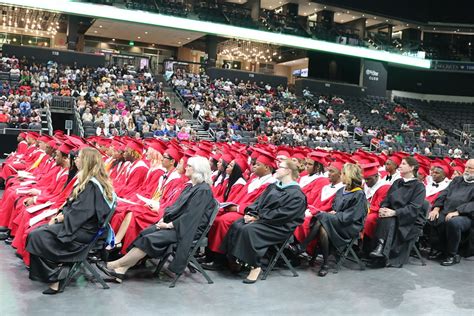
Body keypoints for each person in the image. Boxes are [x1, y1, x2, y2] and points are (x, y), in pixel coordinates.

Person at [97, 156, 215, 281]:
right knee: (145, 232)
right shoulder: (192, 187)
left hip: (187, 230)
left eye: (190, 166)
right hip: (178, 225)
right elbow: (175, 208)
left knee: (150, 239)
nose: (186, 167)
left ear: (198, 170)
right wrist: (164, 219)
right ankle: (121, 270)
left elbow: (191, 217)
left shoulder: (203, 190)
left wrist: (169, 225)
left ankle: (115, 265)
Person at [26, 147, 116, 295]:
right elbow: (76, 208)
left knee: (37, 236)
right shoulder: (91, 181)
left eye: (79, 157)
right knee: (37, 232)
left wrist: (59, 218)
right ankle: (57, 269)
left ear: (87, 162)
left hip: (83, 231)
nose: (76, 160)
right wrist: (62, 215)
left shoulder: (92, 185)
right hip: (81, 226)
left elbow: (80, 213)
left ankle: (56, 277)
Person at [220, 159, 306, 283]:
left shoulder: (297, 195)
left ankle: (255, 266)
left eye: (280, 167)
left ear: (288, 171)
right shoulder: (274, 186)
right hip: (265, 220)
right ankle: (235, 260)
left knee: (249, 230)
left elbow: (284, 215)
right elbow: (258, 203)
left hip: (280, 226)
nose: (277, 169)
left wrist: (259, 217)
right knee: (237, 224)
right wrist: (251, 213)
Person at [290, 163, 367, 276]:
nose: (342, 176)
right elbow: (335, 207)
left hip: (349, 226)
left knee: (322, 217)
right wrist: (333, 214)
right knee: (323, 227)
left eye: (343, 173)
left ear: (350, 176)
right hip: (337, 222)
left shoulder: (359, 193)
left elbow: (353, 216)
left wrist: (335, 215)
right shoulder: (341, 191)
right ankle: (325, 264)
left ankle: (302, 246)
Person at [369, 157, 426, 268]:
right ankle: (379, 249)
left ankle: (381, 249)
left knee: (389, 220)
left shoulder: (419, 187)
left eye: (403, 164)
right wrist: (384, 208)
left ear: (412, 168)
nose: (400, 166)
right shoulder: (397, 182)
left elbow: (414, 208)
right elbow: (387, 199)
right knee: (382, 217)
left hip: (407, 218)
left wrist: (395, 213)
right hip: (391, 214)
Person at [428, 159, 474, 265]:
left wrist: (458, 212)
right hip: (447, 210)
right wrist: (436, 208)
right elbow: (444, 193)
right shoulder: (457, 180)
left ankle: (451, 255)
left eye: (470, 168)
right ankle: (439, 249)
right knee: (434, 218)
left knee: (453, 223)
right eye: (466, 167)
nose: (466, 170)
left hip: (466, 215)